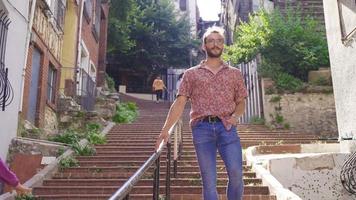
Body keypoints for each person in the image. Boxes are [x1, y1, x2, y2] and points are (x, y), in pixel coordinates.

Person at [155, 26, 247, 200]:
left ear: (223, 46)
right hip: (201, 129)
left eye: (219, 41)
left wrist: (235, 117)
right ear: (204, 46)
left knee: (236, 174)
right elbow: (180, 102)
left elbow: (241, 102)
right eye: (211, 41)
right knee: (209, 182)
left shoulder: (235, 74)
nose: (215, 44)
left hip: (227, 127)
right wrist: (165, 130)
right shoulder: (191, 74)